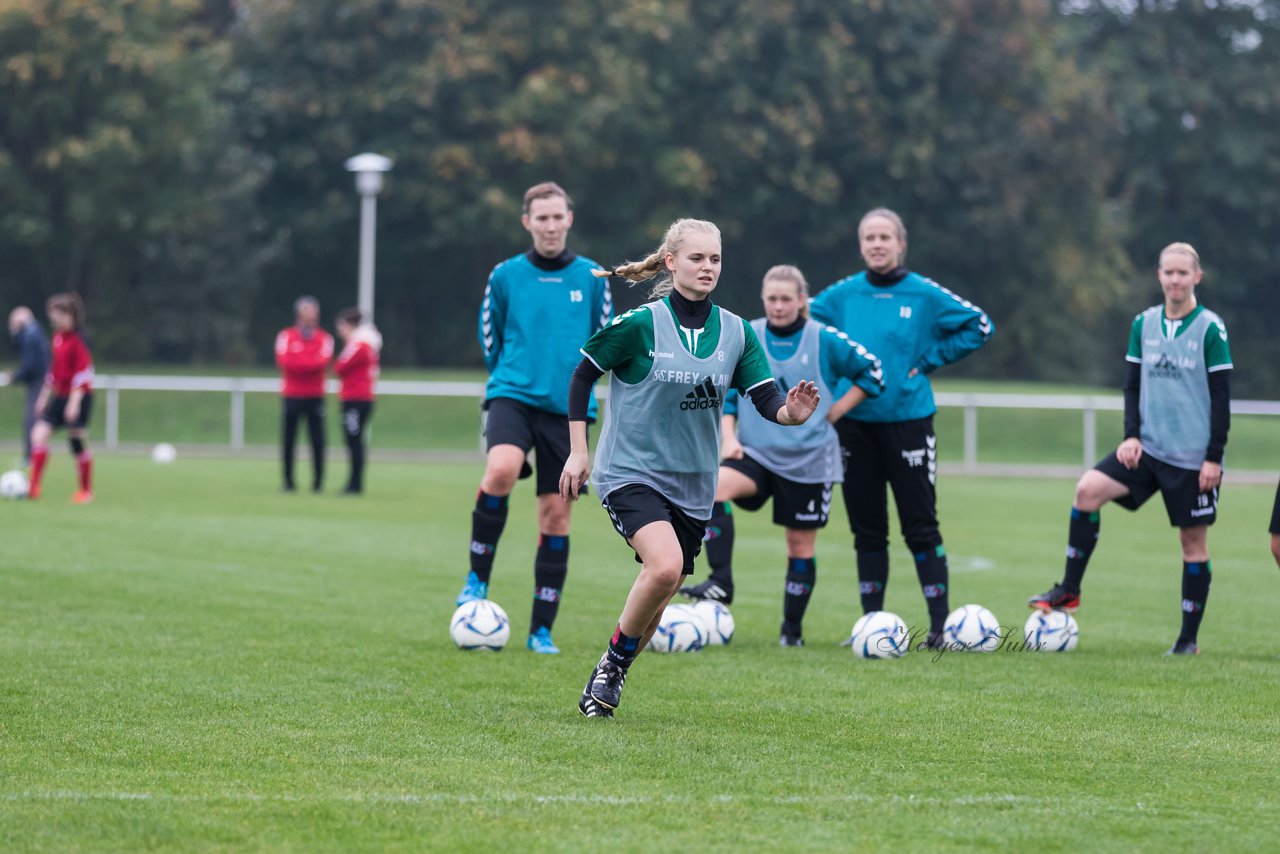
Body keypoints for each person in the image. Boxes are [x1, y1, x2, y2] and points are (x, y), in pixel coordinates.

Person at [560, 218, 820, 718]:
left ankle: (609, 678)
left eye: (715, 259)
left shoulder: (737, 333)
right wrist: (579, 450)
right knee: (666, 567)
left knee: (664, 589)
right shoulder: (640, 324)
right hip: (630, 472)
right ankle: (610, 668)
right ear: (672, 261)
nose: (707, 267)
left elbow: (767, 401)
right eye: (697, 258)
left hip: (694, 484)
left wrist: (792, 415)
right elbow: (581, 375)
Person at [1028, 243, 1231, 656]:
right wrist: (1131, 436)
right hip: (1147, 450)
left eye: (1182, 273)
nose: (1175, 280)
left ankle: (1187, 640)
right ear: (1158, 276)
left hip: (1193, 460)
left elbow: (1222, 398)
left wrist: (1213, 456)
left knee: (1192, 545)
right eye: (1168, 272)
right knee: (1087, 490)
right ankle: (1069, 590)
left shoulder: (1210, 329)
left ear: (1197, 277)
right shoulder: (1144, 324)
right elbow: (1132, 384)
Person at [809, 208, 993, 649]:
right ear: (860, 245)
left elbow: (979, 325)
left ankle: (939, 628)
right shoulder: (841, 296)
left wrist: (928, 361)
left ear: (900, 243)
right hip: (854, 427)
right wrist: (834, 384)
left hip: (909, 424)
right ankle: (873, 625)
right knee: (867, 531)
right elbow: (804, 328)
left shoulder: (924, 294)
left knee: (920, 526)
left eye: (884, 237)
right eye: (869, 237)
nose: (876, 244)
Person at [679, 265, 885, 646]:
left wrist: (834, 411)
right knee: (711, 490)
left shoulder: (823, 338)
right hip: (755, 452)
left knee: (799, 546)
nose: (778, 306)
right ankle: (721, 582)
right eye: (771, 298)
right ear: (763, 299)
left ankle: (791, 633)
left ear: (802, 301)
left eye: (786, 299)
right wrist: (728, 437)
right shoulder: (745, 334)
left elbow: (873, 372)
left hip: (808, 460)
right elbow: (725, 390)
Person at [456, 181, 613, 656]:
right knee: (501, 469)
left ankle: (540, 629)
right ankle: (476, 581)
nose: (549, 225)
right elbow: (490, 335)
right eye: (540, 218)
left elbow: (604, 341)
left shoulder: (592, 277)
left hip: (568, 412)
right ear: (527, 222)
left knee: (556, 515)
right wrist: (511, 375)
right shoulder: (505, 275)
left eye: (556, 216)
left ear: (570, 219)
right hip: (513, 395)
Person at [27, 293, 94, 503]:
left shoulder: (79, 340)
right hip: (60, 396)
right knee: (38, 434)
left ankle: (85, 491)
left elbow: (83, 374)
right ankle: (33, 487)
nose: (54, 318)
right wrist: (43, 398)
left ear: (70, 315)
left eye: (57, 314)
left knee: (76, 441)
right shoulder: (57, 338)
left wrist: (74, 403)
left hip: (79, 397)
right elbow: (54, 371)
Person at [275, 296, 333, 493]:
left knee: (318, 441)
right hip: (292, 395)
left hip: (315, 396)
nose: (310, 318)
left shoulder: (324, 338)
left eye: (313, 314)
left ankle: (318, 483)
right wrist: (307, 362)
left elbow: (322, 362)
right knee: (288, 440)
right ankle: (288, 482)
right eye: (306, 313)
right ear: (298, 314)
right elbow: (286, 362)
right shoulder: (286, 335)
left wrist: (301, 361)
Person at [333, 307, 381, 495]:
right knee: (354, 441)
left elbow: (339, 366)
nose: (340, 331)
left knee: (354, 442)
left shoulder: (359, 345)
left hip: (355, 399)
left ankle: (355, 484)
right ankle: (354, 482)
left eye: (341, 326)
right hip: (360, 398)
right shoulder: (366, 344)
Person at [3, 306, 50, 465]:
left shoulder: (30, 336)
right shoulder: (34, 332)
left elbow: (31, 366)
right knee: (35, 419)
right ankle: (33, 456)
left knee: (33, 419)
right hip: (40, 379)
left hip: (38, 381)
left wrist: (15, 377)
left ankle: (32, 457)